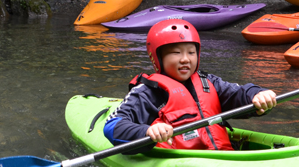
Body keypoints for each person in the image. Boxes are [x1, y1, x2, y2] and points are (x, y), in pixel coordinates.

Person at [104, 19, 278, 150]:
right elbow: (112, 126)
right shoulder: (147, 92)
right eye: (176, 53)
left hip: (223, 155)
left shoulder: (208, 83)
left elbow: (239, 94)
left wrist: (257, 94)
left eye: (191, 52)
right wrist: (147, 131)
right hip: (183, 163)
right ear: (157, 57)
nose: (185, 59)